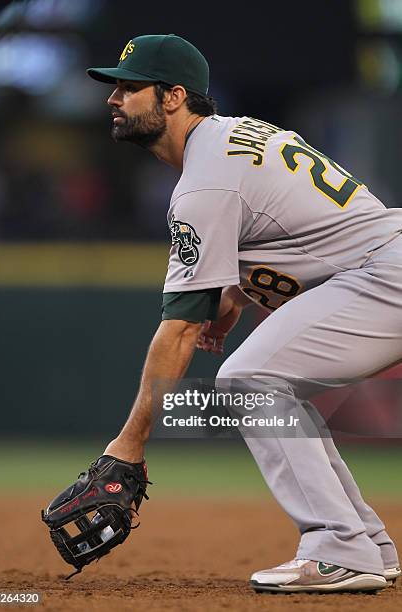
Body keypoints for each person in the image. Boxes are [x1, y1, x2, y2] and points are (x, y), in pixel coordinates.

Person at [82, 33, 402, 592]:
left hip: (383, 275)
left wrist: (130, 442)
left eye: (130, 87)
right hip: (383, 265)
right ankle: (365, 543)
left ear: (174, 96)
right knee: (272, 385)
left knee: (249, 382)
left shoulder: (203, 184)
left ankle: (340, 547)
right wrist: (235, 290)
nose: (114, 98)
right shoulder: (240, 134)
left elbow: (180, 328)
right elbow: (295, 228)